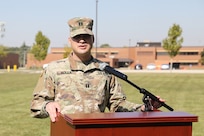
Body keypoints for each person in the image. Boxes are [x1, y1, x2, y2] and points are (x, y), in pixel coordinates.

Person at [30, 17, 164, 122]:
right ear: (70, 40)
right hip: (65, 131)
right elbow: (36, 104)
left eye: (86, 37)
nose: (82, 41)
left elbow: (117, 105)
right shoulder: (54, 69)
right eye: (77, 37)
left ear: (93, 39)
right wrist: (47, 106)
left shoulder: (105, 71)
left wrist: (144, 108)